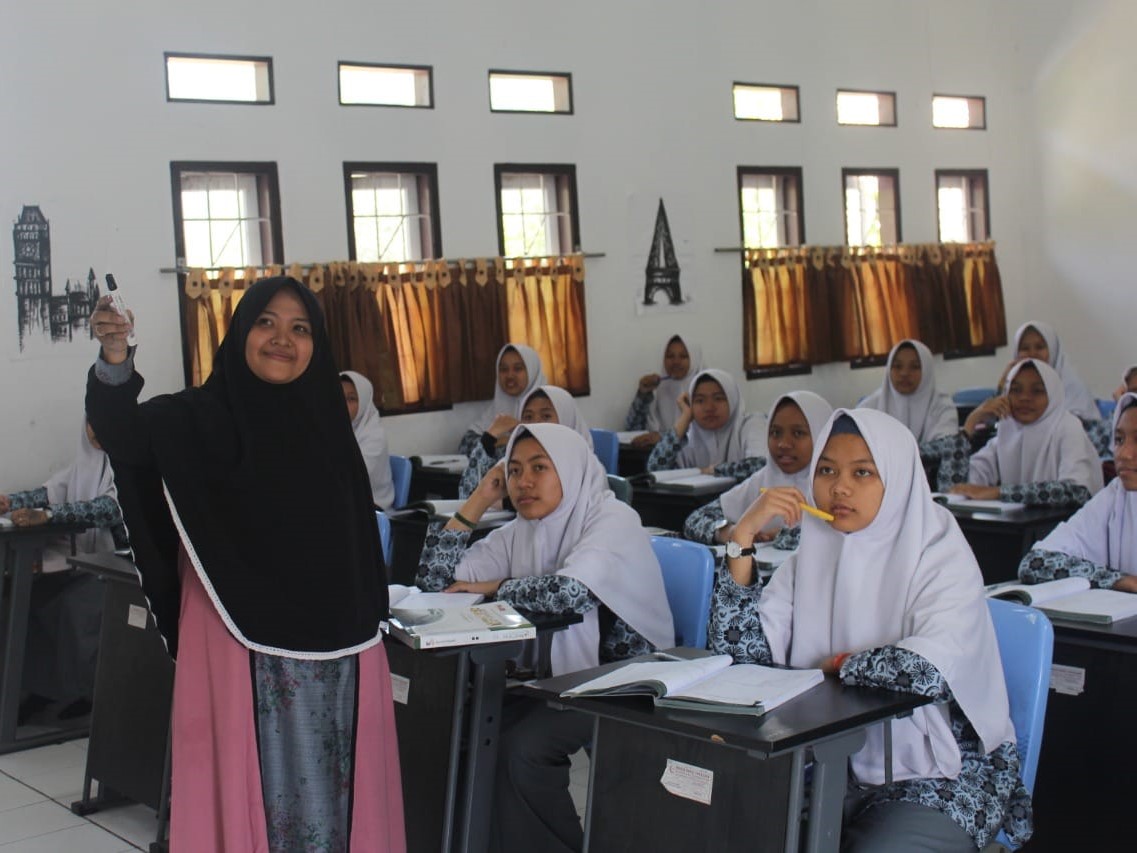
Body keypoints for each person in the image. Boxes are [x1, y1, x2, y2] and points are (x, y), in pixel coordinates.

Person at [86, 277, 405, 851]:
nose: (283, 339)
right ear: (240, 332)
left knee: (337, 800)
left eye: (300, 328)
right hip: (236, 638)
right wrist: (115, 359)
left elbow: (355, 542)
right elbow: (121, 435)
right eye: (266, 322)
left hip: (338, 653)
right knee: (250, 796)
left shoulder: (328, 426)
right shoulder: (196, 418)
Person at [710, 409, 1032, 850]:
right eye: (826, 470)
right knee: (733, 829)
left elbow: (927, 670)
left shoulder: (937, 550)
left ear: (897, 477)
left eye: (863, 472)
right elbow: (742, 656)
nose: (839, 487)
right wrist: (741, 536)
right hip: (831, 763)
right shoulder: (813, 556)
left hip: (941, 772)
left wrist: (840, 664)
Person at [416, 423, 674, 853]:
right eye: (514, 472)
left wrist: (496, 587)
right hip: (555, 680)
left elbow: (570, 592)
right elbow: (434, 582)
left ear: (571, 471)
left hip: (624, 682)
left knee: (523, 748)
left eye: (539, 467)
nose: (524, 482)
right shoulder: (522, 529)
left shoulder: (611, 518)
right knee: (468, 728)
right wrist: (479, 498)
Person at [1, 419, 126, 722]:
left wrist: (48, 515)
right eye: (90, 422)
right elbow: (47, 494)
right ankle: (38, 690)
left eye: (102, 420)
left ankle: (85, 693)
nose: (95, 430)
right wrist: (10, 502)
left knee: (73, 606)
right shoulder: (82, 466)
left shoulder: (131, 466)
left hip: (119, 566)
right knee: (27, 598)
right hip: (81, 564)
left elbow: (104, 508)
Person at [683, 390, 832, 550]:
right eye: (775, 433)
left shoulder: (837, 486)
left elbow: (841, 534)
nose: (783, 444)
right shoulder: (762, 480)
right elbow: (694, 521)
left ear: (822, 435)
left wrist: (781, 535)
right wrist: (732, 532)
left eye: (798, 433)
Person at [1018, 392, 1137, 591]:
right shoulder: (1118, 495)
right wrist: (1120, 580)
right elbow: (1035, 563)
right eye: (1119, 440)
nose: (1123, 454)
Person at [947, 359, 1102, 507]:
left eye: (1037, 391)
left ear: (1053, 395)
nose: (1024, 398)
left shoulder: (1068, 427)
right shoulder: (1006, 431)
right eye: (1015, 390)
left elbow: (1077, 492)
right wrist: (971, 423)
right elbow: (953, 486)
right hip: (1022, 529)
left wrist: (1000, 493)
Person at [458, 385, 593, 499]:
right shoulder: (517, 459)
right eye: (528, 417)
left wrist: (505, 504)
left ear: (567, 419)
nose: (535, 424)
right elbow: (468, 495)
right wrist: (489, 437)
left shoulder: (582, 465)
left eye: (546, 416)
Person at [645, 368, 764, 479]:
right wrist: (685, 418)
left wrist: (711, 471)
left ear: (732, 399)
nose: (709, 407)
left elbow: (761, 465)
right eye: (700, 400)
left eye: (718, 398)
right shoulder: (689, 437)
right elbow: (655, 470)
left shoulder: (752, 424)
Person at [861, 339, 957, 449]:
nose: (904, 373)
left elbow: (947, 447)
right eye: (897, 366)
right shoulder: (868, 408)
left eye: (915, 367)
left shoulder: (942, 405)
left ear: (927, 371)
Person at [458, 343, 546, 456]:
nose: (510, 375)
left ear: (532, 371)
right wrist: (494, 436)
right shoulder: (496, 408)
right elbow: (465, 448)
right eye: (504, 369)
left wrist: (513, 439)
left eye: (518, 369)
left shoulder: (549, 405)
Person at [1005, 321, 1099, 423]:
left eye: (1039, 347)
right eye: (1025, 348)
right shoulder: (1011, 386)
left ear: (1053, 350)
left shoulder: (1072, 387)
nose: (1032, 354)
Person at [624, 334, 703, 448]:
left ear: (694, 358)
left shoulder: (704, 389)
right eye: (670, 356)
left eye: (683, 356)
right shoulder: (659, 386)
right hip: (656, 458)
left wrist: (662, 438)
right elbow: (632, 430)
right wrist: (642, 394)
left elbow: (704, 435)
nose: (676, 361)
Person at [340, 370, 395, 509]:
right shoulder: (337, 429)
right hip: (346, 502)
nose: (342, 404)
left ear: (364, 401)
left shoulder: (374, 435)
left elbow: (353, 477)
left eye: (351, 399)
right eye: (338, 397)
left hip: (372, 507)